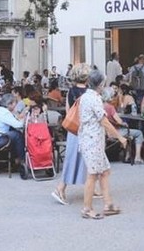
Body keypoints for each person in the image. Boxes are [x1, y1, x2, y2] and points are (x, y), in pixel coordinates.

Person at [77, 68, 126, 220]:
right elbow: (103, 120)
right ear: (99, 84)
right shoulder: (94, 99)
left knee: (104, 171)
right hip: (92, 141)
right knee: (92, 175)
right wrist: (120, 137)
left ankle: (108, 204)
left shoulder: (86, 97)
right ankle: (87, 208)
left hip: (91, 140)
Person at [52, 64, 90, 206]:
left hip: (74, 129)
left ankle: (96, 187)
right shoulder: (89, 92)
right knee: (85, 158)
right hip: (85, 129)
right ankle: (60, 188)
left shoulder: (70, 91)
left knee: (75, 157)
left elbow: (68, 111)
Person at [0, 93, 26, 170]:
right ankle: (22, 160)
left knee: (13, 132)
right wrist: (24, 119)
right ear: (10, 104)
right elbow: (18, 125)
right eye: (15, 103)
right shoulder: (5, 113)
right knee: (17, 135)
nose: (16, 105)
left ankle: (14, 159)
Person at [101, 87, 143, 164]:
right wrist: (124, 123)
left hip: (105, 132)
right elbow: (119, 121)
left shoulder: (100, 106)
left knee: (128, 135)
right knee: (138, 133)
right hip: (115, 132)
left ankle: (127, 155)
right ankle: (137, 157)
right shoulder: (110, 107)